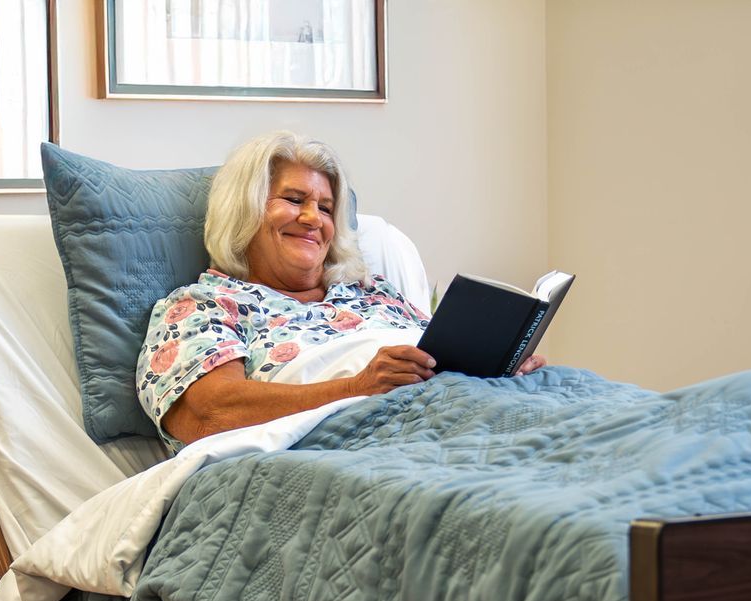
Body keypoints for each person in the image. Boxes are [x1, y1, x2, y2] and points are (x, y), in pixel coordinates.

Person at [137, 131, 544, 450]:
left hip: (488, 416)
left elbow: (438, 364)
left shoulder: (373, 292)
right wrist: (356, 388)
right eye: (294, 199)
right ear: (244, 209)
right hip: (386, 445)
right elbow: (208, 415)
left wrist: (500, 366)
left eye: (327, 208)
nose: (313, 218)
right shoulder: (204, 306)